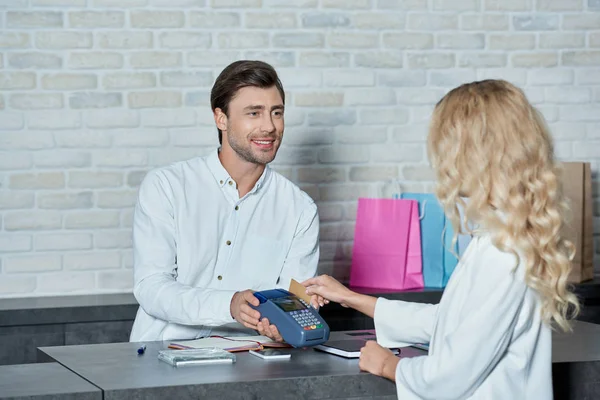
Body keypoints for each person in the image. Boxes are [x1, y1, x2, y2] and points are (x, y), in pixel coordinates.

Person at [303, 80, 579, 399]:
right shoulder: (502, 237)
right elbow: (451, 321)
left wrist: (389, 366)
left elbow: (453, 372)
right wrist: (351, 298)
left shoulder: (502, 252)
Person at [129, 60, 320, 343]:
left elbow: (293, 303)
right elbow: (151, 288)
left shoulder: (300, 210)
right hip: (161, 354)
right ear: (221, 118)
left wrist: (285, 325)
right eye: (253, 113)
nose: (269, 126)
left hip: (250, 360)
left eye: (276, 113)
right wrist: (229, 305)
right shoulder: (166, 187)